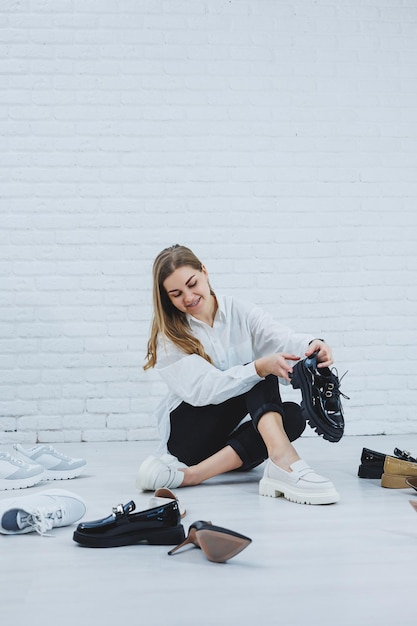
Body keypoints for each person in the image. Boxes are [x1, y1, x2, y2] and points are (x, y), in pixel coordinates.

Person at [136, 244, 340, 505]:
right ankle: (285, 462)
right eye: (176, 294)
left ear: (205, 272)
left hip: (231, 438)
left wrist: (312, 345)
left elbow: (279, 337)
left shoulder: (238, 311)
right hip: (189, 438)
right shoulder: (169, 337)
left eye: (192, 283)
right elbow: (203, 390)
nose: (188, 297)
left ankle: (194, 476)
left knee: (292, 416)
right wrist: (258, 368)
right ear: (168, 298)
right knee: (256, 371)